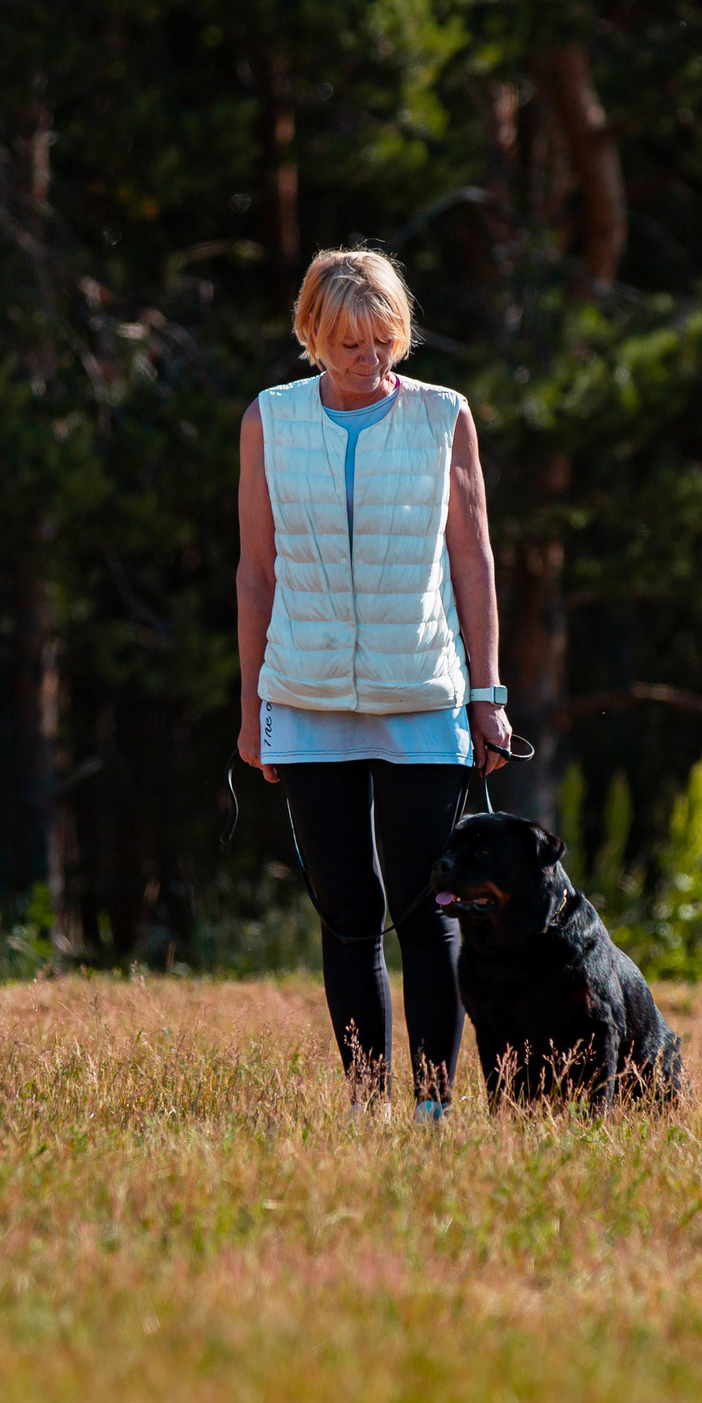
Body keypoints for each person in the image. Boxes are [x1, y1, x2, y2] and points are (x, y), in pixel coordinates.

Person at [235, 247, 513, 1120]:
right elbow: (255, 570)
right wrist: (254, 709)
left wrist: (488, 695)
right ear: (313, 336)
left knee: (429, 909)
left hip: (423, 701)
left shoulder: (443, 418)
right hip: (306, 700)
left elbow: (473, 561)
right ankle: (370, 1107)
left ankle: (433, 1109)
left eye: (384, 340)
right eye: (350, 343)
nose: (370, 359)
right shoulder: (270, 420)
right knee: (349, 914)